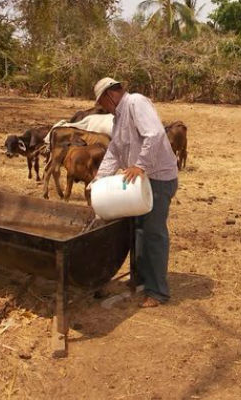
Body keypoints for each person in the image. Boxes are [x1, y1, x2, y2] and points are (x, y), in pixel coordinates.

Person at [92, 77, 178, 308]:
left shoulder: (136, 102)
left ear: (111, 95)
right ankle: (141, 280)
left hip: (158, 179)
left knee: (153, 234)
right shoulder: (119, 117)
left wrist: (140, 165)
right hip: (140, 183)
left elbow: (155, 134)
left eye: (103, 103)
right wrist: (99, 179)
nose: (104, 108)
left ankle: (158, 292)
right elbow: (115, 150)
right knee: (139, 231)